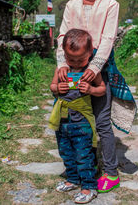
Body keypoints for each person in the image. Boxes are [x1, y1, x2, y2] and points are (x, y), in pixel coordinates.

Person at [56, 0, 136, 193]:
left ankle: (110, 172)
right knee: (74, 120)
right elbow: (62, 35)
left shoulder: (111, 5)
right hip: (71, 68)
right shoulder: (71, 6)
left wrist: (93, 68)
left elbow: (108, 38)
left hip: (98, 69)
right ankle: (81, 171)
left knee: (101, 123)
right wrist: (62, 63)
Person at [49, 29, 106, 204]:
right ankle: (72, 180)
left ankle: (89, 187)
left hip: (82, 123)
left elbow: (102, 88)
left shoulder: (91, 71)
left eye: (80, 59)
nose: (75, 62)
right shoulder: (61, 70)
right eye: (70, 58)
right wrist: (58, 89)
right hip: (63, 121)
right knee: (66, 152)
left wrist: (90, 90)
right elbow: (52, 86)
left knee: (84, 154)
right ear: (64, 54)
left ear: (90, 53)